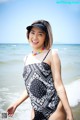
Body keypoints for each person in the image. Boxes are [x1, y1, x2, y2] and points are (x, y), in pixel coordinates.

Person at [7, 20, 73, 120]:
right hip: (35, 112)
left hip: (54, 110)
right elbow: (30, 87)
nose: (35, 37)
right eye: (32, 32)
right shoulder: (26, 59)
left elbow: (59, 85)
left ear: (45, 37)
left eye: (40, 34)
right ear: (28, 34)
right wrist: (16, 104)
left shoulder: (51, 54)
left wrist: (69, 114)